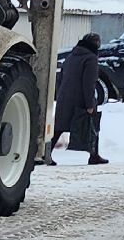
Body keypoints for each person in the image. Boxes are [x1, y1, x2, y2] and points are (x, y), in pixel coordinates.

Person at [44, 33, 107, 165]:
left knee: (59, 128)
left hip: (64, 98)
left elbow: (60, 78)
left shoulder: (70, 56)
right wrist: (90, 104)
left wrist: (59, 95)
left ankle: (46, 153)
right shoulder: (91, 59)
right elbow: (89, 83)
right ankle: (94, 155)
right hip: (80, 100)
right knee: (92, 126)